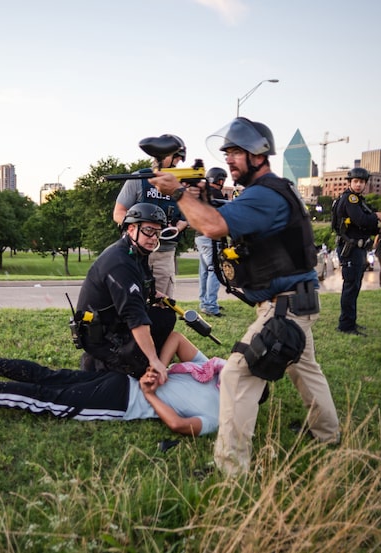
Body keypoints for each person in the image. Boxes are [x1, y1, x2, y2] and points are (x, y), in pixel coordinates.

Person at [150, 117, 340, 475]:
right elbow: (222, 217)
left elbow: (212, 226)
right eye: (228, 152)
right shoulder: (269, 191)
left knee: (238, 372)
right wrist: (198, 198)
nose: (230, 159)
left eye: (237, 152)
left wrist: (178, 193)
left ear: (259, 155)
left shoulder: (265, 193)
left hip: (285, 306)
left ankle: (230, 469)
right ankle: (327, 433)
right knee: (306, 369)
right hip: (296, 300)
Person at [0, 331, 221, 436]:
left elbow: (177, 340)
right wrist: (158, 372)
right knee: (43, 398)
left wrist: (158, 370)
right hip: (123, 399)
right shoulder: (221, 409)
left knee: (48, 377)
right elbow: (179, 427)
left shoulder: (216, 371)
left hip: (119, 381)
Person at [74, 203, 176, 382]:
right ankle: (109, 364)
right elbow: (134, 316)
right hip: (101, 334)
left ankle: (129, 357)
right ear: (131, 229)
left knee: (165, 316)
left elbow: (144, 286)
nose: (154, 238)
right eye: (149, 230)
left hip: (113, 321)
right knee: (146, 334)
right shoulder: (120, 261)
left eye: (158, 233)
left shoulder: (136, 252)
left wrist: (158, 296)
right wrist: (154, 360)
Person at [113, 134, 191, 297]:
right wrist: (140, 230)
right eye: (175, 157)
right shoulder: (139, 179)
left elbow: (188, 216)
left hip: (164, 253)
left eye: (179, 159)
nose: (177, 162)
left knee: (163, 303)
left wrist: (179, 226)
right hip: (135, 251)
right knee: (129, 298)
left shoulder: (182, 184)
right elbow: (119, 213)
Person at [333, 167, 381, 335]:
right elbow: (361, 219)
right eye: (355, 181)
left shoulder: (358, 200)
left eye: (361, 182)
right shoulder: (350, 199)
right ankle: (345, 326)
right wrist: (377, 217)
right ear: (350, 182)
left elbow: (362, 226)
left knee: (355, 286)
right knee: (351, 287)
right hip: (350, 249)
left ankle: (350, 321)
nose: (358, 185)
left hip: (357, 248)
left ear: (365, 183)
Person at [195, 167, 229, 317]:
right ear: (219, 180)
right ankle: (210, 305)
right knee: (215, 270)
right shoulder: (215, 193)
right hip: (211, 238)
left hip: (199, 236)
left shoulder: (202, 193)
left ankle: (204, 302)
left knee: (204, 271)